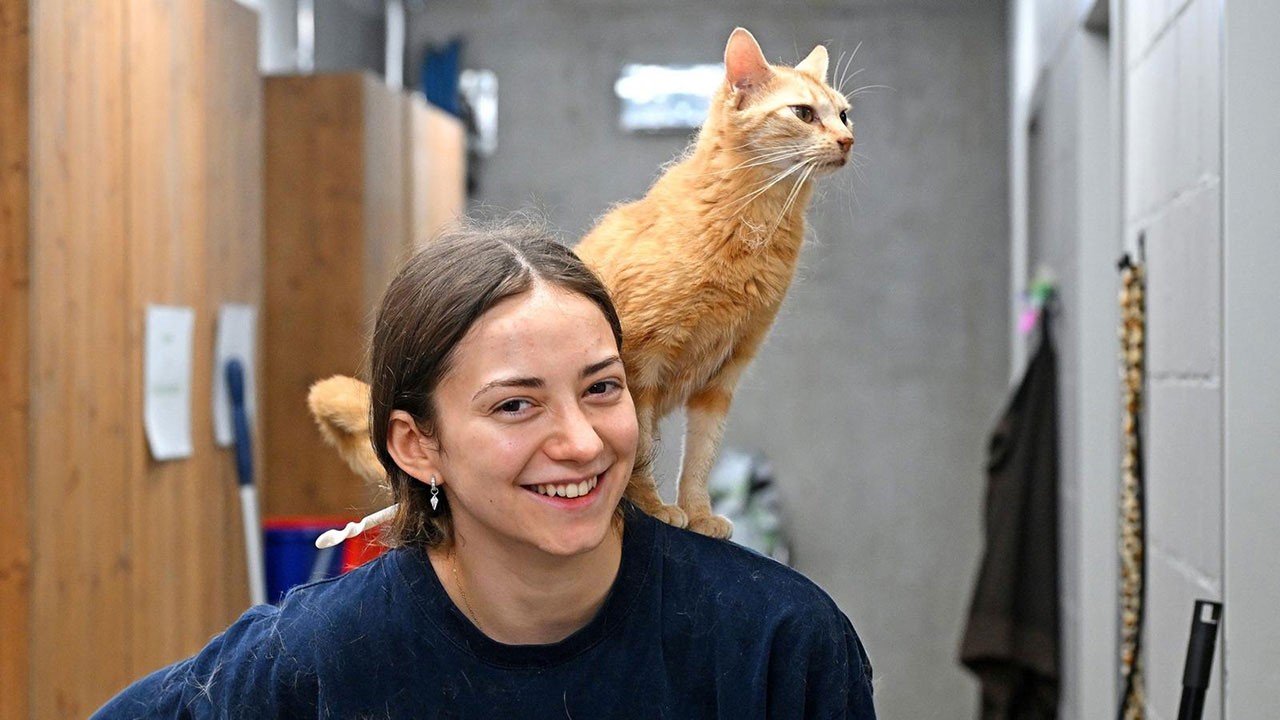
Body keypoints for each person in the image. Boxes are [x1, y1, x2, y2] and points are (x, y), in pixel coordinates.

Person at [93, 219, 876, 719]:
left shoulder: (778, 643)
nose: (581, 441)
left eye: (602, 389)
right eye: (516, 406)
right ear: (415, 445)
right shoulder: (315, 665)